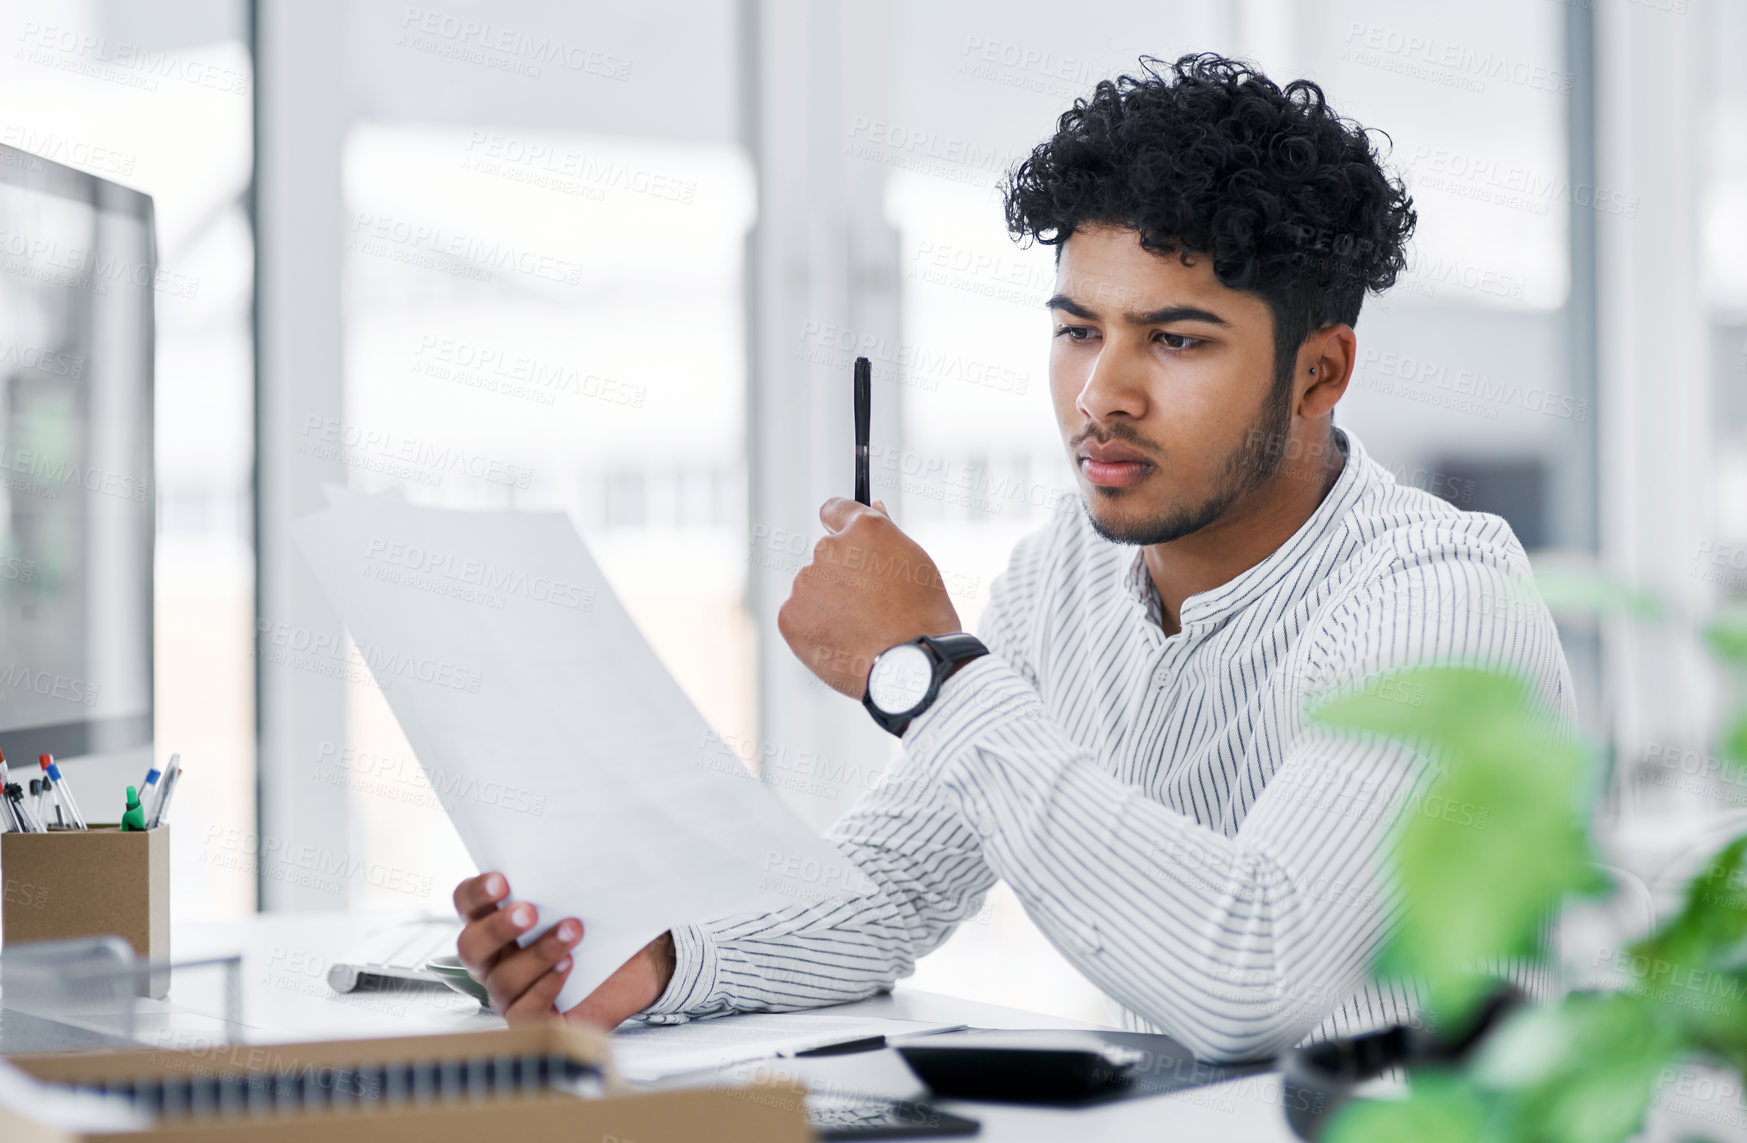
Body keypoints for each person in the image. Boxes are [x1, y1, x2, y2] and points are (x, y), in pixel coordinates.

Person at [452, 52, 1573, 1063]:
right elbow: (892, 887)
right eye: (1079, 330)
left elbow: (1252, 975)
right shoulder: (1062, 574)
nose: (1101, 395)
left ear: (1319, 374)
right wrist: (654, 963)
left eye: (1174, 340)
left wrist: (925, 670)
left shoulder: (1437, 596)